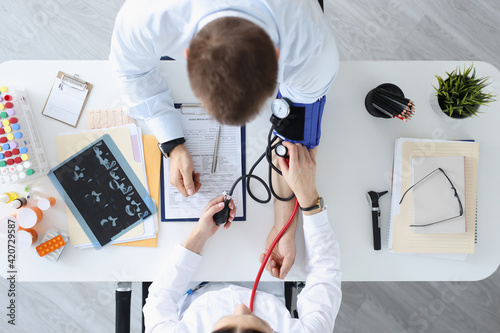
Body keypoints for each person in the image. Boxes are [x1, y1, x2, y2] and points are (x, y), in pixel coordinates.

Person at [109, 0, 338, 279]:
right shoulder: (145, 15)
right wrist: (171, 142)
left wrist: (282, 227)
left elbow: (294, 141)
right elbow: (132, 73)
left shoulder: (308, 42)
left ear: (277, 57)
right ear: (187, 55)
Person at [143, 141, 342, 332]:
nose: (240, 306)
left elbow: (160, 299)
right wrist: (309, 199)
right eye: (255, 319)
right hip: (269, 281)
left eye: (222, 322)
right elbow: (325, 271)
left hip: (195, 282)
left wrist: (199, 235)